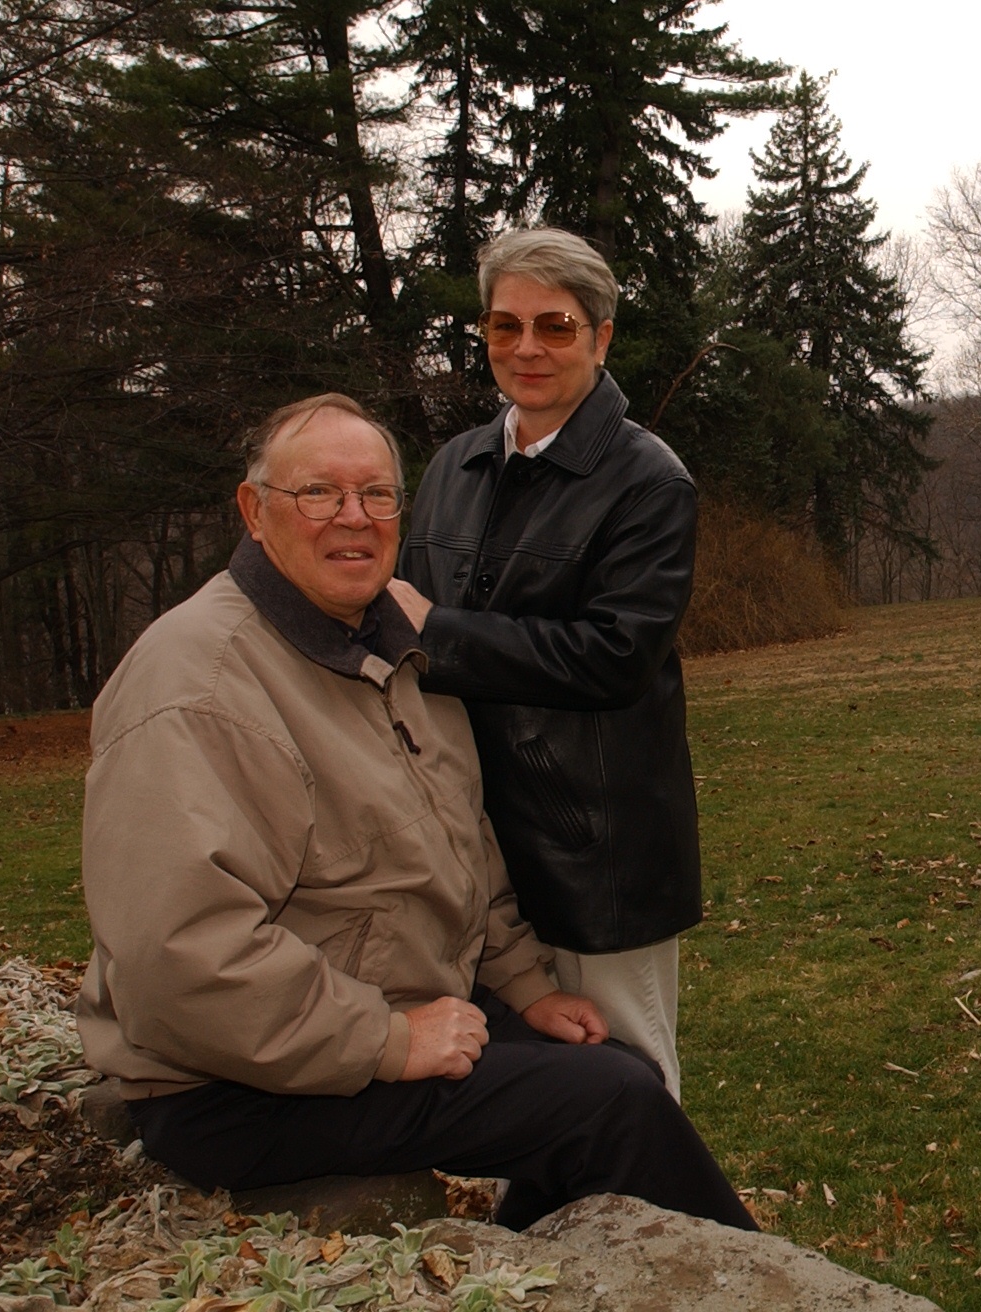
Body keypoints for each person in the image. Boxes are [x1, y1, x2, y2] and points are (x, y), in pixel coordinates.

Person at [75, 393, 753, 1232]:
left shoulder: (380, 645)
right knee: (611, 1103)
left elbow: (460, 841)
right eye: (318, 493)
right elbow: (178, 964)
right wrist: (390, 1042)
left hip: (362, 1013)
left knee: (614, 1070)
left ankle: (534, 1268)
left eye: (378, 495)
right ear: (255, 512)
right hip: (233, 1086)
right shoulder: (199, 685)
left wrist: (521, 984)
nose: (352, 519)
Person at [392, 228, 701, 1100]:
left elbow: (615, 657)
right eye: (504, 325)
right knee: (518, 1079)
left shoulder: (648, 481)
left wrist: (443, 632)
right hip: (469, 839)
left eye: (555, 326)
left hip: (591, 847)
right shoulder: (457, 466)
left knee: (628, 1073)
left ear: (601, 338)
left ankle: (665, 1235)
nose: (526, 348)